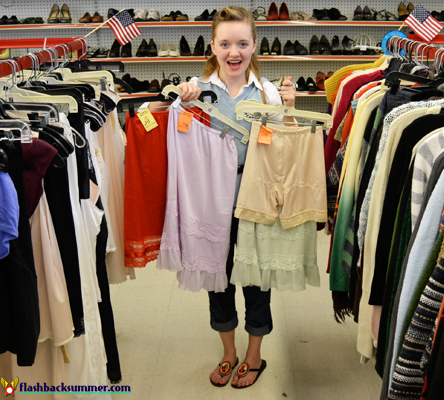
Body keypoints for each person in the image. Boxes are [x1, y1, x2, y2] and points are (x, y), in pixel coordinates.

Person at [148, 5, 296, 389]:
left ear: (254, 46)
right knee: (219, 280)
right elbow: (162, 126)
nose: (234, 52)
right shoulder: (197, 89)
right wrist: (181, 102)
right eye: (226, 43)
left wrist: (288, 110)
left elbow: (283, 147)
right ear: (213, 46)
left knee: (256, 281)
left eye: (242, 43)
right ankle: (229, 352)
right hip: (210, 206)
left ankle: (254, 354)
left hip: (255, 201)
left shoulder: (265, 92)